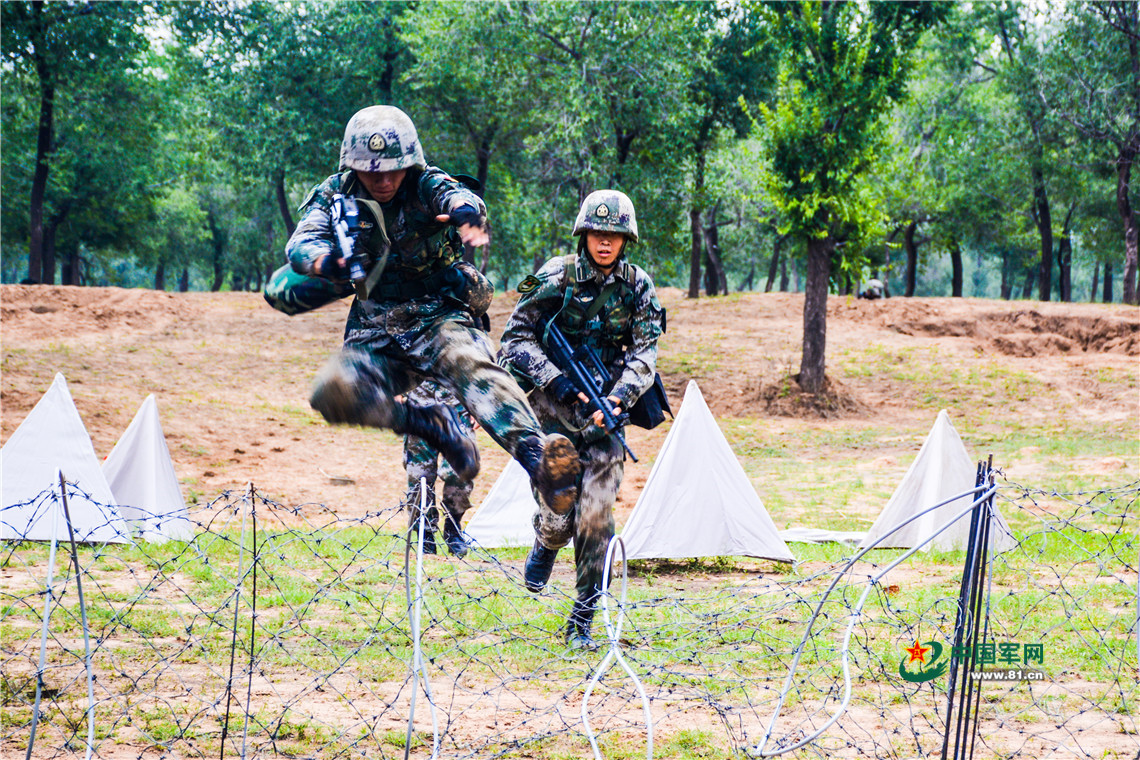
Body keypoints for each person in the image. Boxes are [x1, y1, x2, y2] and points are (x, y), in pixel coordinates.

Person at [283, 105, 581, 521]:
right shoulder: (335, 194)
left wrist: (464, 210)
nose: (384, 180)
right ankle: (429, 424)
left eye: (394, 169)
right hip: (375, 329)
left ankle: (538, 459)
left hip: (438, 318)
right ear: (351, 165)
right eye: (372, 172)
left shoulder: (425, 184)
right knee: (330, 392)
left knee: (473, 367)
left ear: (410, 162)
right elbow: (301, 243)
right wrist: (326, 262)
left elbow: (456, 195)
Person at [500, 190, 664, 650]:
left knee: (596, 515)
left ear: (626, 238)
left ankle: (583, 621)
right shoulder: (552, 275)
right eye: (598, 233)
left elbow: (645, 353)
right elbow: (514, 340)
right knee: (560, 512)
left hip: (606, 418)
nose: (605, 242)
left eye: (614, 235)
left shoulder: (639, 287)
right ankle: (547, 540)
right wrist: (556, 382)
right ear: (584, 234)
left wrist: (617, 399)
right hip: (553, 416)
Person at [401, 380, 476, 557]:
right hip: (418, 403)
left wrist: (481, 402)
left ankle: (453, 527)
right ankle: (424, 535)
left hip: (458, 404)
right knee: (419, 475)